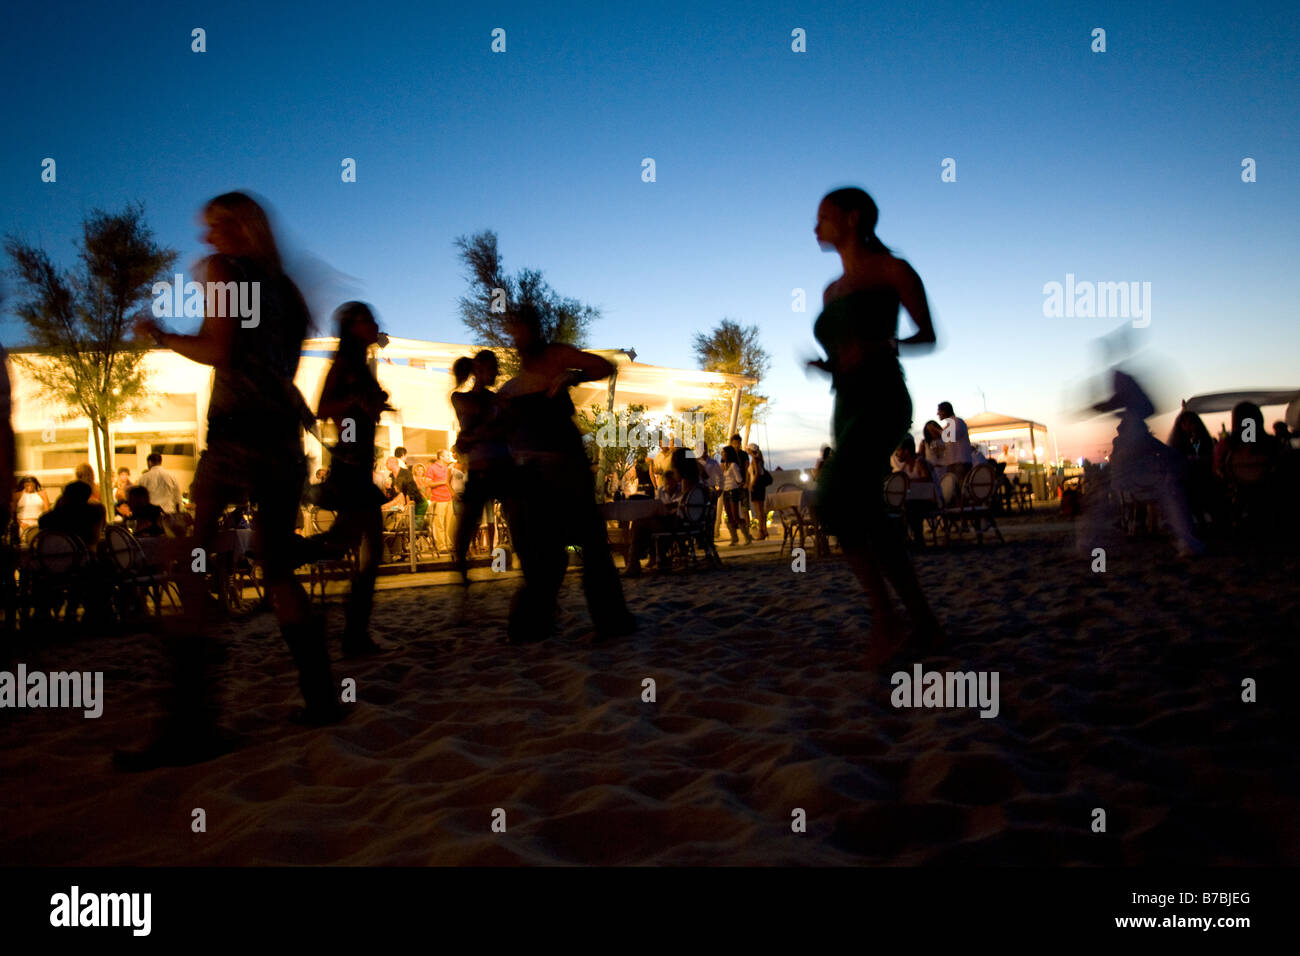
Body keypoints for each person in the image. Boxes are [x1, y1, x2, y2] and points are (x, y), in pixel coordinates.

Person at [123, 190, 341, 770]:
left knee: (195, 563)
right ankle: (321, 698)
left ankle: (189, 723)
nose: (206, 239)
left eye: (214, 226)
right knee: (276, 567)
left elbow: (220, 348)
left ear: (237, 227)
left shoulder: (227, 272)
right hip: (281, 440)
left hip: (237, 434)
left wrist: (163, 334)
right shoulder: (289, 292)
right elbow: (278, 365)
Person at [807, 186, 943, 657]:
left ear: (853, 217)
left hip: (883, 398)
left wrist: (884, 346)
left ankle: (885, 620)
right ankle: (922, 620)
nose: (814, 226)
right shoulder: (830, 291)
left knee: (831, 497)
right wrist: (830, 365)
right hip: (845, 403)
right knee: (863, 511)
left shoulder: (893, 271)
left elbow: (927, 335)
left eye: (823, 216)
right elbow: (843, 350)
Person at [496, 303, 636, 644]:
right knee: (547, 554)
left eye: (519, 329)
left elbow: (605, 365)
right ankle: (533, 624)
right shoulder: (518, 381)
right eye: (511, 332)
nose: (514, 337)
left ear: (533, 329)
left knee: (591, 544)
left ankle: (611, 621)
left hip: (567, 469)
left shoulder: (555, 355)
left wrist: (574, 374)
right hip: (533, 475)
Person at [313, 301, 393, 656]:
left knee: (354, 545)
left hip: (357, 466)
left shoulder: (360, 366)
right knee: (366, 550)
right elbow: (323, 408)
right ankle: (354, 634)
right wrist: (356, 402)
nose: (375, 324)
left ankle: (354, 633)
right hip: (350, 469)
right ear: (352, 327)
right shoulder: (343, 365)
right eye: (367, 320)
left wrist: (372, 403)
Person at [451, 350, 511, 581]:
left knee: (474, 517)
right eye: (492, 368)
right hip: (485, 466)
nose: (496, 372)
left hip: (496, 464)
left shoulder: (492, 399)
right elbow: (488, 427)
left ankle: (462, 566)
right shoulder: (463, 398)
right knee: (469, 520)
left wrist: (472, 437)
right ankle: (461, 565)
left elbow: (492, 431)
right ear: (478, 370)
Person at [719, 445, 751, 545]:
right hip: (725, 492)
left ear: (728, 454)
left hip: (733, 491)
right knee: (729, 516)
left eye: (724, 453)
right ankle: (734, 538)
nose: (722, 454)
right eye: (722, 453)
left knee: (735, 515)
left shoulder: (733, 465)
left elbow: (739, 479)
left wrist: (741, 483)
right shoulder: (722, 465)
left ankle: (747, 536)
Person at [935, 402, 972, 485]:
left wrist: (937, 430)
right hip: (952, 464)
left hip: (961, 463)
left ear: (944, 411)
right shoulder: (948, 425)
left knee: (960, 490)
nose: (937, 414)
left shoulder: (958, 422)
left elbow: (953, 437)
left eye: (939, 411)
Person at [747, 443, 771, 540]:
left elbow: (756, 473)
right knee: (761, 510)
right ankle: (764, 530)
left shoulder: (754, 460)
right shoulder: (760, 459)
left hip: (756, 487)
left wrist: (752, 484)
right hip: (761, 487)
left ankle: (761, 531)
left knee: (758, 510)